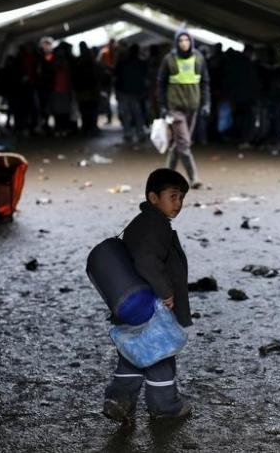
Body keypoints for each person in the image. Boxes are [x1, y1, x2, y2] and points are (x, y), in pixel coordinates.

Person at [103, 168, 193, 422]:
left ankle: (119, 399)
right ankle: (165, 407)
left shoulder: (142, 222)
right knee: (160, 354)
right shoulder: (157, 226)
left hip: (130, 302)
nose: (178, 204)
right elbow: (146, 261)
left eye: (181, 198)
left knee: (132, 354)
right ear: (154, 198)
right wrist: (166, 292)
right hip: (151, 306)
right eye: (173, 196)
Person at [157, 29, 210, 189]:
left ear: (191, 42)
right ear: (176, 42)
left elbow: (205, 83)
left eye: (187, 40)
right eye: (181, 41)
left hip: (193, 107)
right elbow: (161, 84)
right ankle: (194, 178)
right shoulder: (169, 59)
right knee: (184, 143)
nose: (184, 43)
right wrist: (162, 107)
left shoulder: (199, 58)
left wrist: (207, 103)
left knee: (179, 144)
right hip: (175, 109)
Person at [114, 43, 147, 143]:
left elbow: (116, 77)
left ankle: (128, 133)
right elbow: (144, 79)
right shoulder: (141, 63)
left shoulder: (122, 63)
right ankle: (139, 133)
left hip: (125, 92)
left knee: (127, 114)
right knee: (137, 114)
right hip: (134, 93)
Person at [71, 41, 101, 135]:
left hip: (84, 90)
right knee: (91, 110)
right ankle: (91, 127)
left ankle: (88, 127)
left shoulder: (79, 62)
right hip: (89, 90)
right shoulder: (90, 61)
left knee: (86, 110)